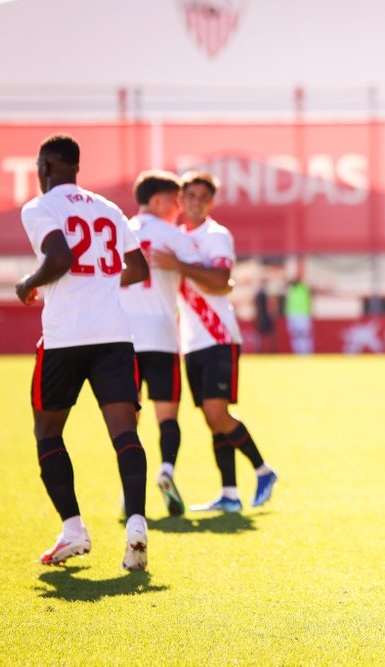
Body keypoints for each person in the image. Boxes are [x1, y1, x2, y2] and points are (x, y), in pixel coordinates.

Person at [16, 134, 151, 570]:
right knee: (124, 432)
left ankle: (73, 529)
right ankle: (135, 522)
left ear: (49, 165)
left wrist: (27, 283)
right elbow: (138, 268)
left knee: (48, 432)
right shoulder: (108, 208)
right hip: (113, 334)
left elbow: (59, 256)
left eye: (39, 166)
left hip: (65, 336)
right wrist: (100, 285)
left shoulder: (40, 207)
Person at [151, 171, 278, 512]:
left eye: (202, 197)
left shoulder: (216, 235)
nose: (195, 202)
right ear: (181, 201)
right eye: (189, 196)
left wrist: (179, 264)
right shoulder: (175, 237)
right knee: (211, 418)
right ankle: (230, 495)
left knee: (217, 412)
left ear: (211, 202)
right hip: (191, 340)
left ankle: (263, 470)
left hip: (219, 335)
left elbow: (221, 281)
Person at [119, 170, 227, 517]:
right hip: (164, 337)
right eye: (175, 200)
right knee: (167, 416)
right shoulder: (173, 236)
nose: (179, 208)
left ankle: (128, 491)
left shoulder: (121, 231)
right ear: (158, 200)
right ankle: (166, 470)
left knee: (126, 418)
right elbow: (210, 277)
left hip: (125, 339)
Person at [284, 274, 314, 354]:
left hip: (302, 314)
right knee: (295, 335)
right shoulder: (291, 290)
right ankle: (297, 352)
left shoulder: (303, 288)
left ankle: (306, 352)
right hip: (293, 315)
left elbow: (310, 287)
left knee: (303, 334)